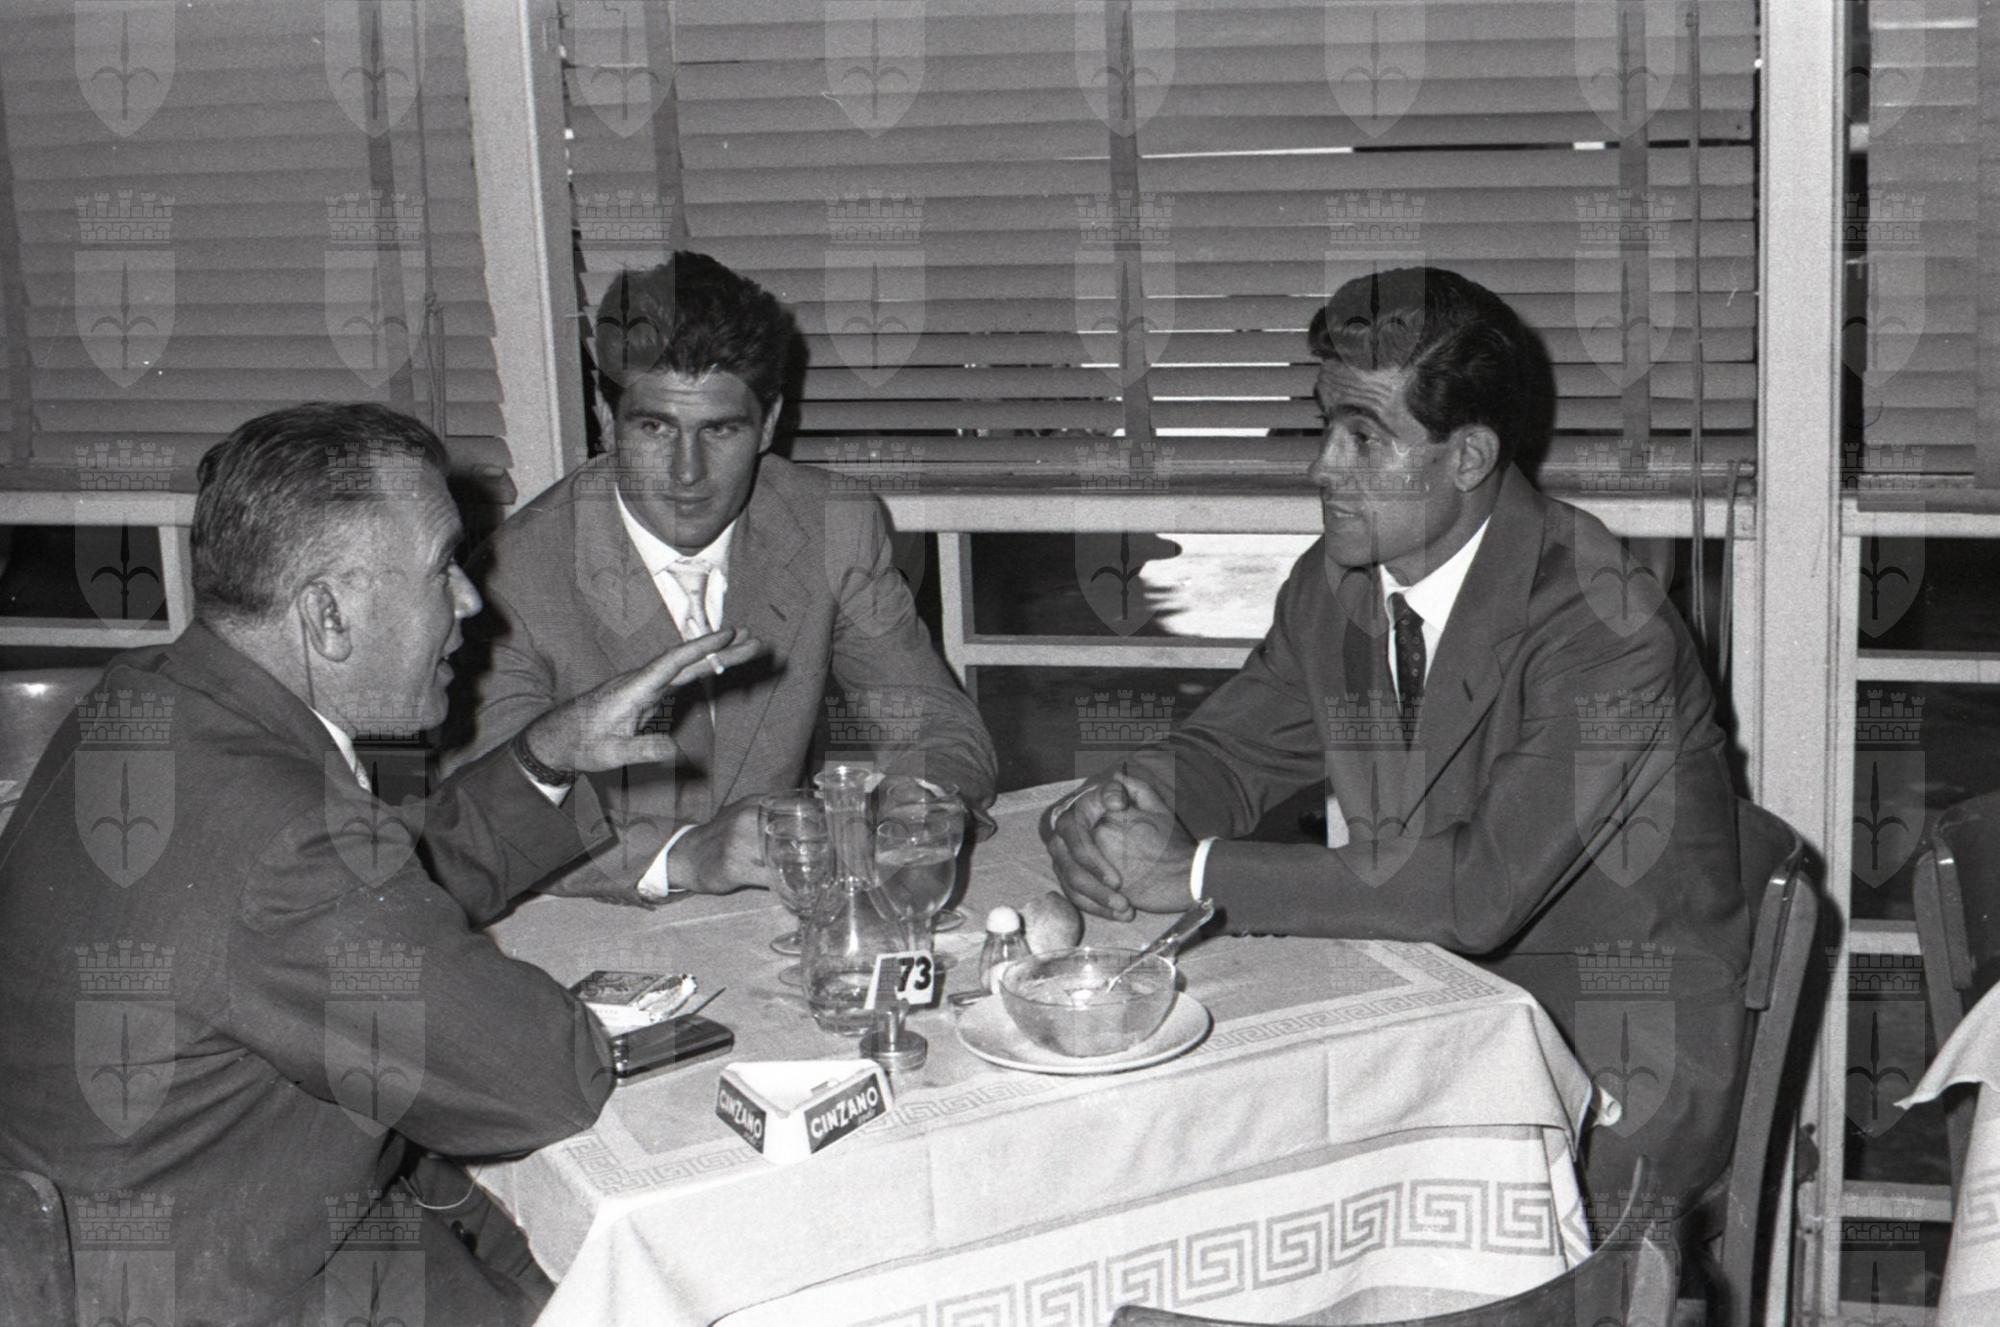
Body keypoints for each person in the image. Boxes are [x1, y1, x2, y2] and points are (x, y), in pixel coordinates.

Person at [0, 403, 761, 1325]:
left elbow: (359, 888)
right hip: (234, 1288)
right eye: (444, 566)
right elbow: (539, 1081)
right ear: (328, 614)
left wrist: (547, 753)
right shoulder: (287, 841)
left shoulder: (146, 700)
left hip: (163, 1226)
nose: (471, 602)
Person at [1046, 267, 1749, 1208]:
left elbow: (1480, 890)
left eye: (1364, 438)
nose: (1322, 468)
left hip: (1611, 1047)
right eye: (1324, 427)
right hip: (1430, 999)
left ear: (1468, 458)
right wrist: (1122, 805)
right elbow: (1231, 752)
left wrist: (1192, 871)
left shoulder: (1605, 623)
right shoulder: (1337, 585)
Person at [445, 252, 996, 902]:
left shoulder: (832, 522)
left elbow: (934, 721)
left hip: (773, 915)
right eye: (655, 427)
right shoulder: (509, 578)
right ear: (607, 419)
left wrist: (916, 798)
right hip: (580, 919)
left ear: (768, 424)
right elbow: (484, 819)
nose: (688, 472)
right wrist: (685, 854)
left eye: (721, 430)